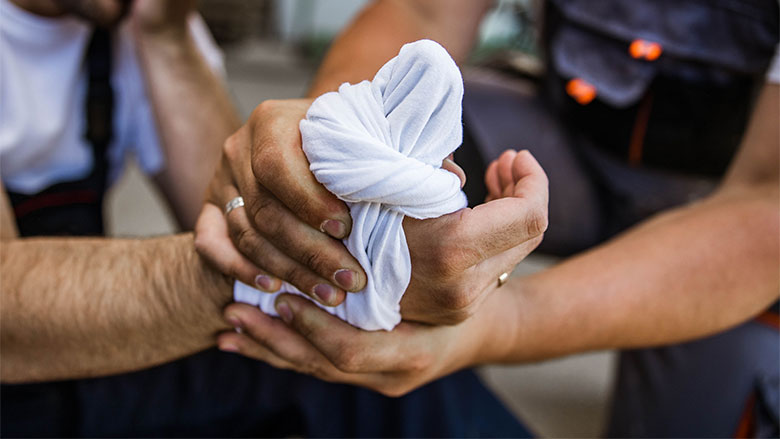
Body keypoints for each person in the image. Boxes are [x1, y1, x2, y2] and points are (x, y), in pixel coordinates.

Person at [197, 0, 779, 436]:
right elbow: (422, 10)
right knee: (411, 131)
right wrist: (331, 142)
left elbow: (767, 198)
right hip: (567, 141)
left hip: (734, 203)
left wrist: (501, 322)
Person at [0, 1, 544, 436]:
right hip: (22, 367)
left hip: (93, 354)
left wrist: (165, 39)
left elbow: (238, 207)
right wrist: (309, 275)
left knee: (373, 370)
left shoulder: (139, 26)